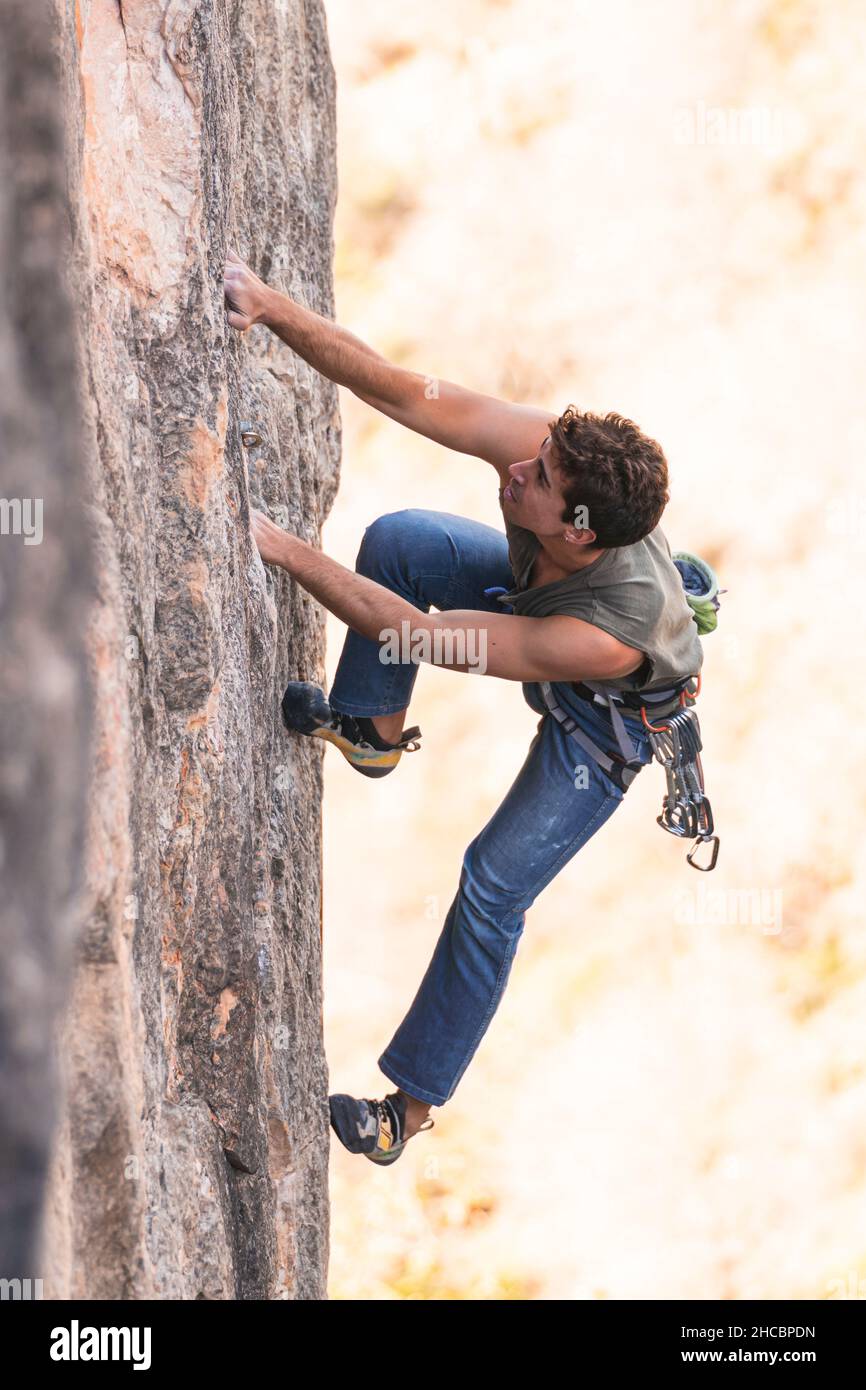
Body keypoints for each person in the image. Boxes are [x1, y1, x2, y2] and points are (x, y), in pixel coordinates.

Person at [224, 251, 703, 1165]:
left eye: (541, 478)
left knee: (492, 887)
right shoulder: (548, 468)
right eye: (538, 453)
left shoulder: (602, 635)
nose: (518, 466)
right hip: (543, 596)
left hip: (605, 729)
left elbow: (419, 635)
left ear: (577, 528)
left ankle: (406, 1109)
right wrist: (273, 308)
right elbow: (409, 394)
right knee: (400, 540)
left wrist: (280, 548)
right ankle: (368, 729)